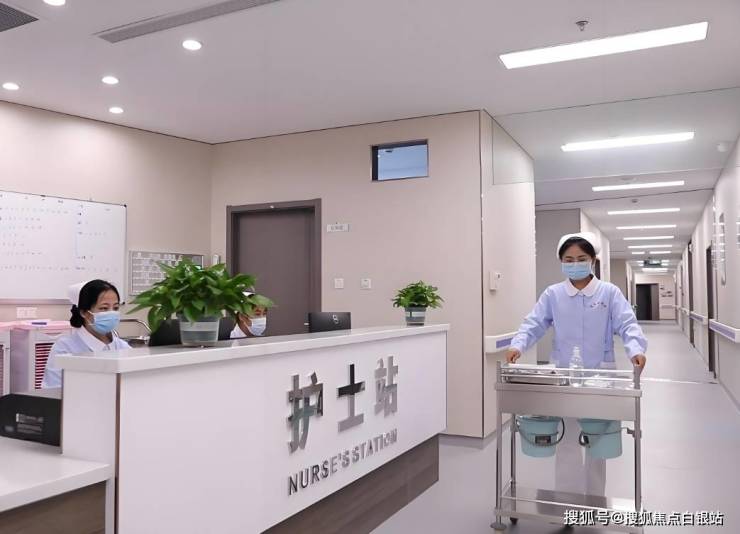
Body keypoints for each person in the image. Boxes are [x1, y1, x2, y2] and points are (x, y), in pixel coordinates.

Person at [505, 232, 647, 496]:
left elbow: (627, 323)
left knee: (597, 440)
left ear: (592, 259)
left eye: (581, 258)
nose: (575, 264)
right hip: (564, 375)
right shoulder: (554, 294)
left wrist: (636, 349)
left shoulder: (609, 292)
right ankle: (566, 498)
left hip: (601, 375)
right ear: (561, 262)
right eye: (568, 260)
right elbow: (533, 323)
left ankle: (595, 498)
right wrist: (518, 345)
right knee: (567, 438)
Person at [42, 280, 130, 388]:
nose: (111, 313)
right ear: (84, 313)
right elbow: (53, 390)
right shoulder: (65, 348)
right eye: (104, 308)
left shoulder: (122, 347)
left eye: (115, 308)